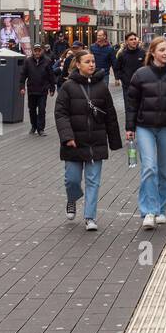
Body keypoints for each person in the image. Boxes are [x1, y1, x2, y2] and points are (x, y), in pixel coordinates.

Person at [124, 37, 166, 231]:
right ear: (152, 52)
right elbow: (132, 104)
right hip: (144, 127)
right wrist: (130, 128)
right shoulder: (141, 74)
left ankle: (161, 209)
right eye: (161, 50)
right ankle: (148, 212)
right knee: (149, 168)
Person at [54, 49, 123, 231]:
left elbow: (110, 115)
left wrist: (114, 141)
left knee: (93, 181)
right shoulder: (68, 86)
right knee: (72, 180)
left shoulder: (101, 86)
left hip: (95, 142)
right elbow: (61, 114)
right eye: (87, 61)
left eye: (93, 61)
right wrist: (67, 137)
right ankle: (72, 198)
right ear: (78, 64)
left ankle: (90, 217)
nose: (91, 64)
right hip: (74, 142)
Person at [20, 43, 56, 135]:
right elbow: (23, 75)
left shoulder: (47, 61)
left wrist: (52, 88)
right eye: (35, 51)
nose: (37, 52)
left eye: (39, 51)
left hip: (43, 90)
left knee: (41, 109)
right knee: (32, 109)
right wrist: (22, 87)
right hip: (32, 89)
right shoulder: (28, 61)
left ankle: (41, 129)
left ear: (42, 51)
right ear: (33, 51)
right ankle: (34, 126)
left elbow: (51, 76)